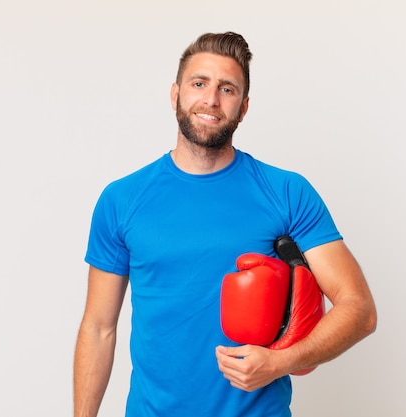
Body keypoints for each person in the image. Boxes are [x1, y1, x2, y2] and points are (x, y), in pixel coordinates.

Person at [73, 31, 377, 417]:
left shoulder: (287, 192)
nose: (211, 99)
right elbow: (99, 328)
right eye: (199, 83)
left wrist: (281, 363)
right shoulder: (121, 200)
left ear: (244, 106)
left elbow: (359, 308)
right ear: (175, 94)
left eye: (227, 88)